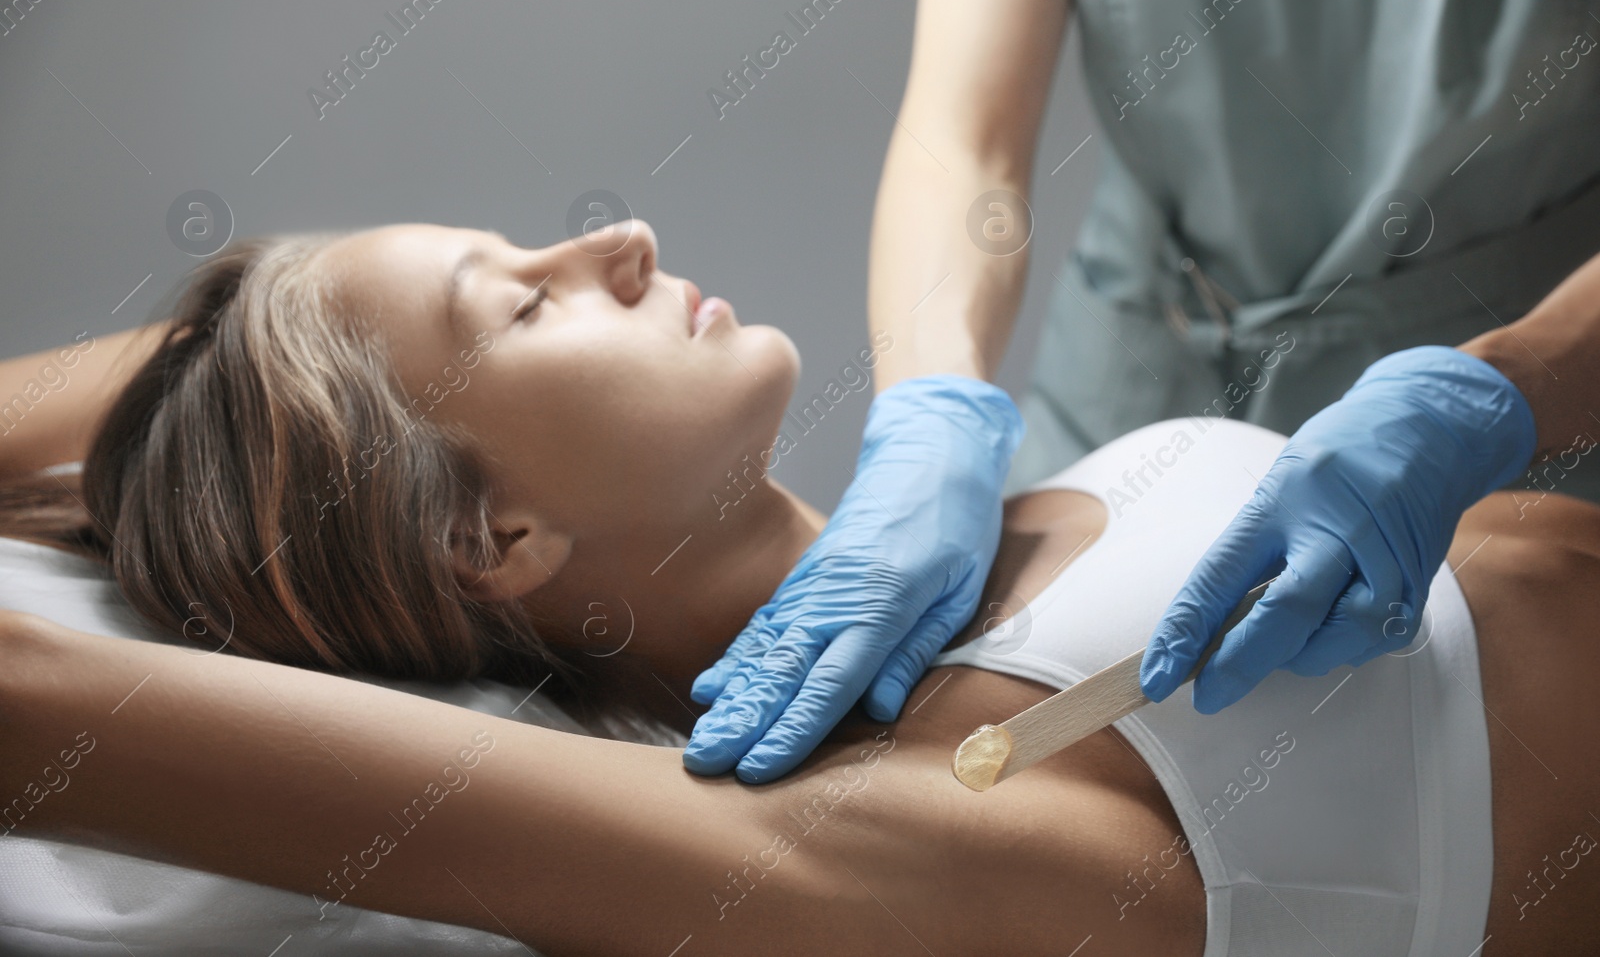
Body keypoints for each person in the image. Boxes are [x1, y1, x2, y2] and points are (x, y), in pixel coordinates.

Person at [3, 220, 1600, 953]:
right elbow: (40, 689)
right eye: (523, 300)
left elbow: (203, 387)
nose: (616, 238)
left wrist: (1512, 379)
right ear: (487, 545)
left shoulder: (991, 513)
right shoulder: (848, 850)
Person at [682, 0, 1600, 781]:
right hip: (1133, 372)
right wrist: (932, 407)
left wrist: (1494, 392)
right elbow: (967, 139)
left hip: (1522, 403)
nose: (620, 247)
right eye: (529, 306)